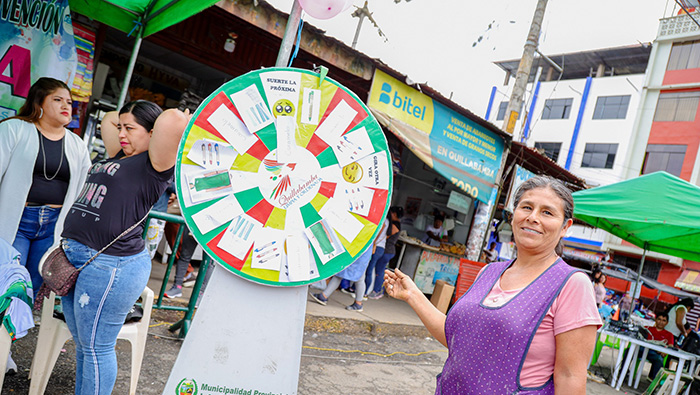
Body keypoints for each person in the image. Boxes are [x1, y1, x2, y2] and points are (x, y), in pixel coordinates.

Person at [384, 175, 601, 394]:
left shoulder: (571, 284)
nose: (533, 217)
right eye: (526, 207)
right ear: (513, 214)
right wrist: (413, 295)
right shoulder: (489, 272)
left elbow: (570, 376)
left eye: (547, 212)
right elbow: (459, 340)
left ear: (565, 227)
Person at [59, 100, 189, 395]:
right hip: (79, 258)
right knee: (85, 345)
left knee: (96, 348)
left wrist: (165, 120)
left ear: (153, 134)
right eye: (122, 128)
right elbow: (107, 119)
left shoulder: (154, 164)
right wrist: (126, 121)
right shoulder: (119, 154)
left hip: (110, 265)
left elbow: (174, 122)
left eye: (130, 128)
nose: (122, 133)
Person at [0, 77, 91, 293]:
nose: (65, 106)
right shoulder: (14, 128)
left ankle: (16, 328)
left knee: (34, 281)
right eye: (58, 99)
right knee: (8, 277)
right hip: (18, 218)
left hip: (53, 224)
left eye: (69, 102)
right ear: (39, 103)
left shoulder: (77, 144)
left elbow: (84, 188)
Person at [365, 206, 403, 300]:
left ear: (394, 214)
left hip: (387, 251)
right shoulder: (394, 223)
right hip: (387, 251)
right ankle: (377, 290)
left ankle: (377, 291)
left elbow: (385, 236)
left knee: (380, 271)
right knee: (379, 271)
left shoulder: (394, 224)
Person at [644, 313, 675, 379]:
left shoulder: (669, 335)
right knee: (629, 351)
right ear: (655, 320)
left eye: (664, 320)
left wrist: (665, 351)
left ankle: (655, 383)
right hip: (642, 349)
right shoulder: (647, 328)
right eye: (659, 319)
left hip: (655, 353)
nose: (661, 322)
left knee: (659, 360)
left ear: (667, 323)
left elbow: (670, 346)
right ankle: (623, 372)